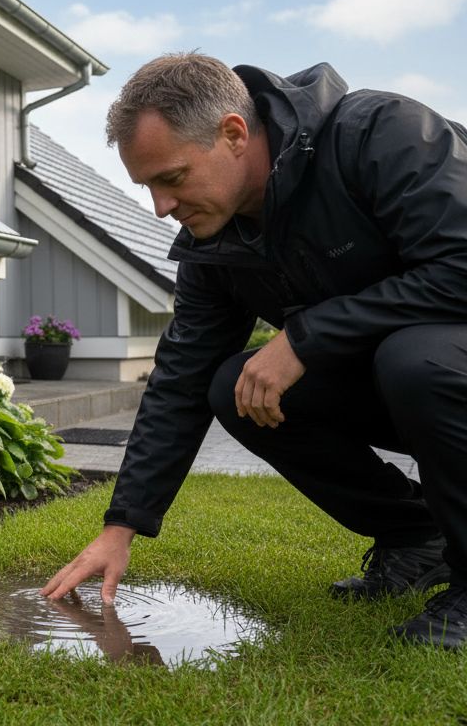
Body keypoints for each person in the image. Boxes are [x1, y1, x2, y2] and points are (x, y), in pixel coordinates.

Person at [40, 52, 467, 649]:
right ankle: (416, 537)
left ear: (234, 134)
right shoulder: (215, 241)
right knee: (232, 387)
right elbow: (180, 379)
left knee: (413, 358)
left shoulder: (380, 134)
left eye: (173, 177)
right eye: (148, 187)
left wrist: (306, 336)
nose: (162, 207)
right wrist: (122, 525)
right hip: (409, 386)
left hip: (440, 369)